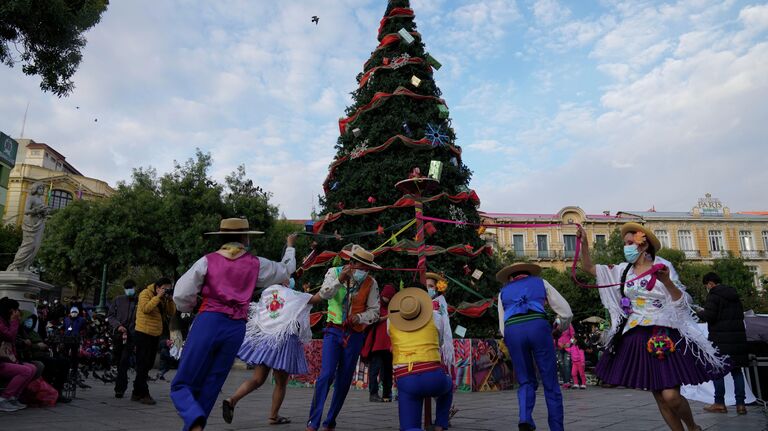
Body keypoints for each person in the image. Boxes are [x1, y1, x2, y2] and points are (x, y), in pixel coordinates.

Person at [577, 223, 726, 431]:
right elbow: (589, 268)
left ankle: (692, 427)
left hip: (663, 332)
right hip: (635, 336)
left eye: (630, 243)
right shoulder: (622, 271)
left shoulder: (663, 266)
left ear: (643, 245)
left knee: (671, 395)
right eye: (625, 243)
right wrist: (583, 244)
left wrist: (666, 282)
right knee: (660, 396)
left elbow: (682, 303)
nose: (626, 247)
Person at [171, 218, 296, 431]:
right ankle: (196, 426)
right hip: (236, 327)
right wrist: (290, 247)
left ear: (221, 238)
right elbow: (286, 270)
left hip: (209, 321)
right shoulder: (257, 264)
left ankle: (193, 419)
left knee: (182, 383)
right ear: (245, 238)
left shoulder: (207, 261)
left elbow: (181, 295)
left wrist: (191, 306)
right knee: (213, 382)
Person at [223, 283, 325, 425]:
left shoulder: (268, 292)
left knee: (257, 379)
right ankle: (273, 416)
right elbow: (317, 298)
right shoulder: (291, 294)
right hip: (282, 341)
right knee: (281, 383)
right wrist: (337, 280)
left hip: (265, 340)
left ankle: (232, 400)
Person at [306, 244, 381, 431]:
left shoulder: (371, 283)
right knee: (326, 375)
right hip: (333, 330)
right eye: (360, 267)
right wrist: (340, 279)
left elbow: (375, 311)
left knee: (344, 379)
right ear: (351, 262)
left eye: (367, 268)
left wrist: (360, 317)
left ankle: (330, 420)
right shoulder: (333, 272)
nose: (363, 271)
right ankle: (313, 422)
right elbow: (324, 294)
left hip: (355, 334)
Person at [497, 262, 573, 431]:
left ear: (510, 278)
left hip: (513, 332)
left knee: (525, 380)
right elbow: (566, 312)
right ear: (529, 274)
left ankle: (525, 417)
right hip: (538, 328)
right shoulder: (541, 283)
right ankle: (556, 427)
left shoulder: (502, 292)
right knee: (550, 382)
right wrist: (560, 327)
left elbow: (503, 328)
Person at [388, 287, 453, 431]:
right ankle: (440, 424)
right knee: (448, 386)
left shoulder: (390, 322)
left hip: (406, 379)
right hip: (433, 375)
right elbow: (440, 341)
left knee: (409, 427)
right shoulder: (436, 316)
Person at [696, 272, 749, 415]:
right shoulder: (734, 295)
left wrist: (700, 312)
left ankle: (719, 403)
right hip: (737, 339)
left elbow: (709, 316)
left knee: (717, 370)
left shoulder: (714, 295)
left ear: (710, 283)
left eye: (706, 285)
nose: (707, 288)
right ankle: (741, 405)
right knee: (737, 372)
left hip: (720, 339)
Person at [132, 277, 176, 405]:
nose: (166, 291)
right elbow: (146, 308)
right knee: (142, 363)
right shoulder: (145, 293)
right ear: (157, 288)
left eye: (168, 289)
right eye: (164, 289)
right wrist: (158, 297)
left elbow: (171, 312)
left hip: (155, 334)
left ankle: (136, 392)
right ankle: (144, 394)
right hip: (143, 333)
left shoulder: (164, 297)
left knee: (148, 364)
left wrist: (169, 300)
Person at [16, 311, 71, 403]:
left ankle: (58, 390)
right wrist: (38, 346)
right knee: (51, 364)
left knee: (65, 361)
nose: (30, 322)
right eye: (28, 320)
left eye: (31, 320)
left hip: (42, 354)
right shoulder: (20, 332)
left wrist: (45, 345)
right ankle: (49, 390)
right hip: (32, 356)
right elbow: (24, 345)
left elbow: (42, 343)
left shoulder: (33, 332)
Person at [0, 297, 37, 412]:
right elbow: (10, 336)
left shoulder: (6, 321)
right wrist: (14, 321)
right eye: (16, 310)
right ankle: (3, 399)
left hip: (7, 359)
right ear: (10, 310)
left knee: (32, 368)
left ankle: (13, 397)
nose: (18, 312)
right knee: (25, 371)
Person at [363, 283, 396, 402]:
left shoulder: (394, 308)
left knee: (388, 371)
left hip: (389, 345)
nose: (386, 299)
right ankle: (373, 394)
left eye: (389, 297)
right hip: (376, 345)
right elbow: (372, 320)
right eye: (385, 297)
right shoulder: (376, 306)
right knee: (374, 370)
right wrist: (388, 316)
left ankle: (387, 394)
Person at [107, 279, 139, 399]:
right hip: (118, 335)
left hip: (132, 336)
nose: (129, 290)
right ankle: (120, 384)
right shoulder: (118, 300)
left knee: (124, 361)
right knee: (118, 359)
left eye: (131, 287)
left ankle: (120, 388)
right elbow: (110, 315)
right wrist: (118, 326)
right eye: (127, 288)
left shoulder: (139, 301)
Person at [62, 306, 86, 376]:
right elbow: (63, 327)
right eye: (73, 312)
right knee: (65, 354)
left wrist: (81, 334)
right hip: (67, 338)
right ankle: (65, 368)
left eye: (75, 312)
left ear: (78, 313)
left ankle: (74, 370)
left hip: (75, 339)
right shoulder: (66, 319)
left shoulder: (81, 320)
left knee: (74, 355)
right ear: (70, 313)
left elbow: (84, 329)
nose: (74, 313)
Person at [556, 324, 574, 388]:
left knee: (567, 364)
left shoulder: (569, 325)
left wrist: (570, 343)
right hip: (559, 348)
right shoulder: (556, 325)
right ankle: (564, 380)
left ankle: (568, 381)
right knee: (561, 364)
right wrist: (558, 343)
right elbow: (554, 336)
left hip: (567, 348)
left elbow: (573, 336)